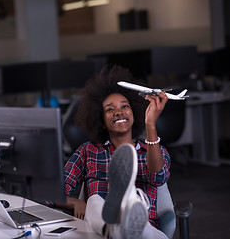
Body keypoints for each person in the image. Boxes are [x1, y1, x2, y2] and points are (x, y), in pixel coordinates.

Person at [63, 64, 171, 239]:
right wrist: (76, 203)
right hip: (100, 230)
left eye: (124, 107)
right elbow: (53, 192)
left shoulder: (152, 150)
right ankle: (114, 227)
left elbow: (157, 178)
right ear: (101, 121)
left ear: (134, 113)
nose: (119, 113)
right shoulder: (88, 151)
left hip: (144, 231)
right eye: (110, 109)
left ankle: (128, 213)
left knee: (137, 218)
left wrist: (150, 124)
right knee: (94, 201)